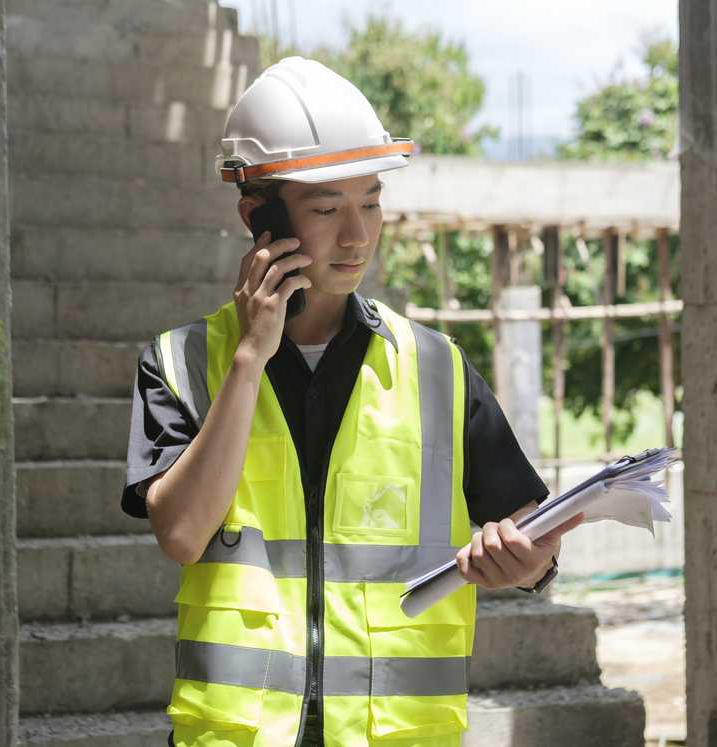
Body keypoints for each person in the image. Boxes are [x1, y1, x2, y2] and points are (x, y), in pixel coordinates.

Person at [120, 57, 583, 747]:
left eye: (370, 201)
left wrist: (529, 563)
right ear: (259, 216)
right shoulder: (182, 363)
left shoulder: (435, 369)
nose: (357, 234)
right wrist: (250, 357)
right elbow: (182, 533)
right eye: (328, 208)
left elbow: (528, 530)